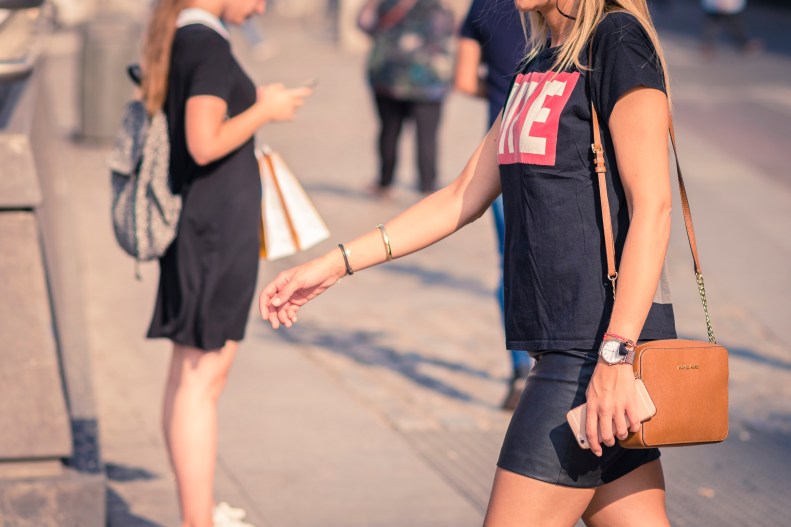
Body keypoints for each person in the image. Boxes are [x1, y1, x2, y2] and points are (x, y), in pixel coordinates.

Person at [261, 0, 678, 524]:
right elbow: (460, 195)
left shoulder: (617, 42)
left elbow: (654, 207)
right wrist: (333, 264)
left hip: (593, 353)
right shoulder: (537, 64)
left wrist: (616, 357)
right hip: (562, 350)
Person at [140, 1, 311, 526]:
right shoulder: (208, 44)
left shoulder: (189, 36)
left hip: (201, 226)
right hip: (214, 231)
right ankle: (199, 521)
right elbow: (203, 141)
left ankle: (198, 511)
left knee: (188, 375)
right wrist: (266, 109)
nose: (262, 6)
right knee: (201, 379)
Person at [454, 0, 532, 410]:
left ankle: (522, 371)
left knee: (512, 263)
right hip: (559, 152)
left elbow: (465, 80)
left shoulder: (484, 5)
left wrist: (506, 92)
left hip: (503, 153)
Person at [357, 0, 455, 196]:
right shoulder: (439, 7)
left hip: (390, 78)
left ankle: (385, 183)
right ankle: (427, 186)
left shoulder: (386, 4)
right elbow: (450, 30)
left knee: (389, 132)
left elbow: (364, 24)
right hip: (429, 81)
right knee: (427, 136)